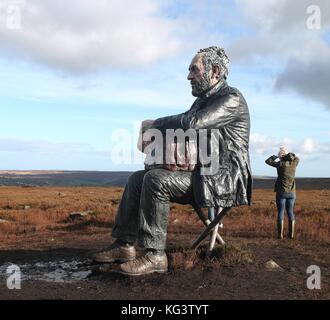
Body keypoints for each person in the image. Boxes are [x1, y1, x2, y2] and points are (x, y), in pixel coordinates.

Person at [92, 46, 252, 276]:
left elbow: (192, 123)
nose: (188, 76)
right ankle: (124, 246)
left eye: (193, 70)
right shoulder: (203, 101)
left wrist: (156, 123)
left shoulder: (231, 99)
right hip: (202, 174)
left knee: (156, 180)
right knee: (138, 178)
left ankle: (155, 255)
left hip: (223, 179)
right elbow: (188, 130)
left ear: (215, 71)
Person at [265, 147, 300, 239]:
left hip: (281, 193)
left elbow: (268, 161)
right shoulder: (294, 163)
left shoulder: (280, 164)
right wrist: (288, 155)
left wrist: (276, 156)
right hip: (292, 193)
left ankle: (280, 235)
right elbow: (296, 158)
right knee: (290, 212)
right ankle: (291, 235)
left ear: (281, 156)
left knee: (280, 212)